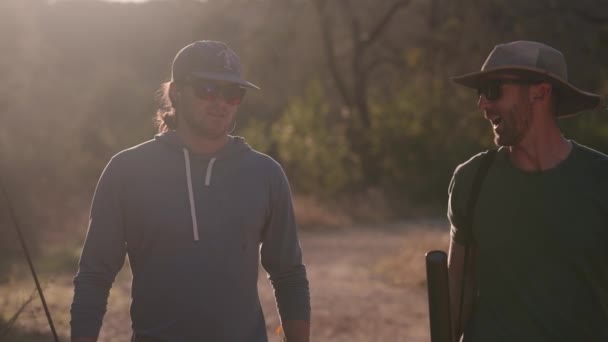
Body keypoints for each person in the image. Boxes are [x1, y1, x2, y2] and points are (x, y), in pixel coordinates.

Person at [70, 40, 311, 342]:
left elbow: (289, 274)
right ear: (175, 93)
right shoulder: (126, 171)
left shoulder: (266, 174)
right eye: (207, 89)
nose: (220, 102)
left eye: (232, 93)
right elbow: (95, 275)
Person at [447, 40, 608, 342]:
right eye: (480, 93)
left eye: (493, 90)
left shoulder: (601, 180)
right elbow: (460, 285)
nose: (482, 104)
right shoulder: (472, 180)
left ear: (540, 91)